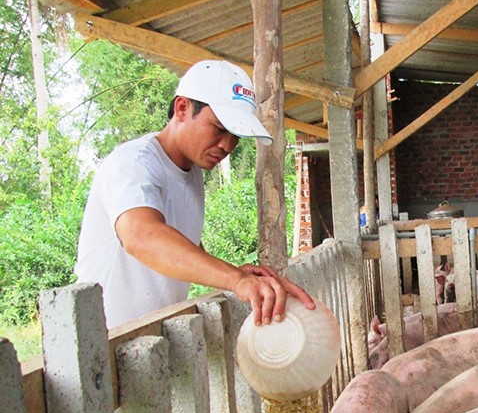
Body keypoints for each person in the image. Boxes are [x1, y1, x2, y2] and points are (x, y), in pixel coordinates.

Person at [75, 60, 314, 329]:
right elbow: (140, 235)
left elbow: (182, 245)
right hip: (105, 337)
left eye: (236, 135)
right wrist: (236, 280)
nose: (227, 146)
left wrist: (235, 272)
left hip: (147, 337)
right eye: (219, 129)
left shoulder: (191, 172)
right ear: (182, 108)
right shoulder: (134, 164)